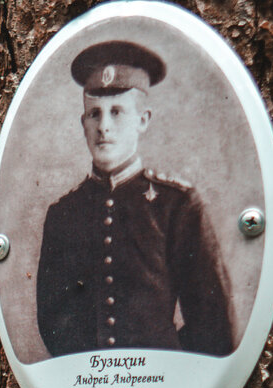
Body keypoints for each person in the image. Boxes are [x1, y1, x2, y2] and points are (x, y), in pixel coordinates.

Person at [36, 39, 234, 358]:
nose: (104, 127)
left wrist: (166, 368)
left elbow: (212, 323)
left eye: (117, 112)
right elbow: (52, 319)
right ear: (83, 124)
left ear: (142, 121)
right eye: (94, 114)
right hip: (89, 386)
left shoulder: (177, 205)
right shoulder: (63, 213)